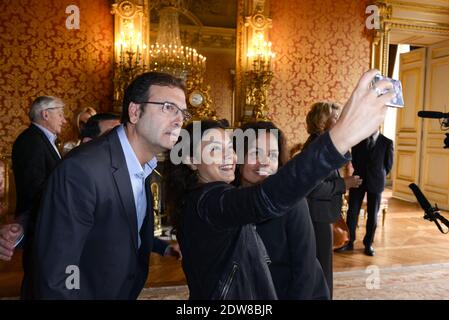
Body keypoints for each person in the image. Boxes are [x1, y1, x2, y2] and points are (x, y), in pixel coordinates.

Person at [164, 69, 395, 299]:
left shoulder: (197, 197)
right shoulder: (208, 200)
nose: (228, 157)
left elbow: (305, 273)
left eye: (229, 148)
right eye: (214, 149)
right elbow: (263, 199)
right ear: (191, 159)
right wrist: (341, 136)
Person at [32, 72, 184, 299]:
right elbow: (58, 274)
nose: (178, 120)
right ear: (134, 112)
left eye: (182, 112)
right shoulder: (83, 170)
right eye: (167, 107)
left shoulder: (144, 165)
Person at [235, 121, 330, 299]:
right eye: (255, 153)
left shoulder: (294, 202)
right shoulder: (229, 200)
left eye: (272, 155)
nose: (264, 162)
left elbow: (305, 270)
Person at [0, 96, 67, 299]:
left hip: (45, 224)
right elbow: (34, 188)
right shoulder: (30, 141)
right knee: (37, 284)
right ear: (45, 114)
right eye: (61, 114)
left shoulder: (43, 140)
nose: (64, 120)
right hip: (38, 224)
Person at [302, 101, 362, 297]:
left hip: (322, 214)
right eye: (336, 117)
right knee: (322, 264)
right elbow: (314, 188)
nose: (340, 121)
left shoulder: (323, 143)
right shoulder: (317, 146)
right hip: (318, 215)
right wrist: (345, 184)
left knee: (321, 263)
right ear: (322, 121)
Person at [337, 128, 394, 256]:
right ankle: (349, 242)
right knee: (352, 213)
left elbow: (388, 165)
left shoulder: (387, 142)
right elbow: (355, 160)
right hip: (359, 180)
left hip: (376, 182)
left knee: (373, 215)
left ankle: (368, 244)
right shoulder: (359, 140)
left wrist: (377, 175)